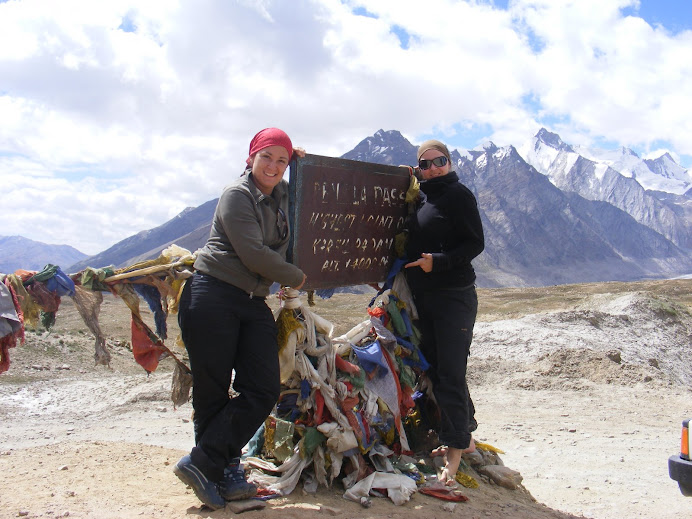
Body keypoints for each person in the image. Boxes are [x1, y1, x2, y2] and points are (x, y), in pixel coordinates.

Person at [174, 128, 307, 509]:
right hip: (214, 293)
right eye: (267, 156)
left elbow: (302, 190)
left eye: (281, 161)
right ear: (250, 157)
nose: (274, 166)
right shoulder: (238, 194)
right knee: (213, 390)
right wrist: (296, 277)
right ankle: (225, 473)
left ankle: (201, 463)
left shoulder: (278, 196)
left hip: (252, 302)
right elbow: (252, 253)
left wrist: (300, 162)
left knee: (263, 388)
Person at [403, 139, 485, 486]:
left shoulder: (458, 196)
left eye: (440, 161)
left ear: (450, 162)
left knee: (450, 373)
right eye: (426, 164)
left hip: (454, 297)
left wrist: (437, 262)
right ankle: (462, 436)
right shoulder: (422, 196)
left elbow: (474, 243)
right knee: (438, 370)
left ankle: (454, 453)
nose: (434, 167)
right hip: (428, 300)